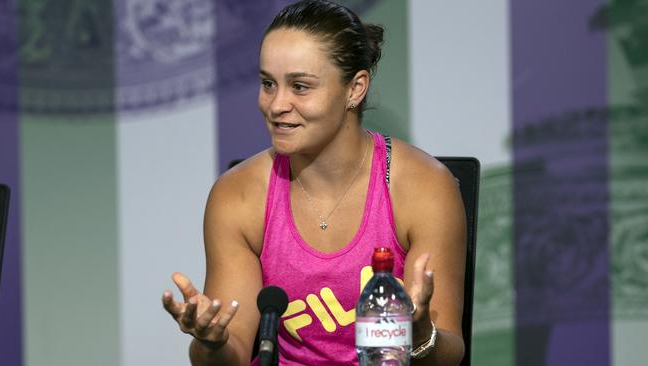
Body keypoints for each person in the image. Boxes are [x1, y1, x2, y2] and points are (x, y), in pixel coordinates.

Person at [162, 1, 466, 365]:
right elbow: (235, 352)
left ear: (355, 89)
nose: (276, 105)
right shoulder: (237, 196)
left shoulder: (424, 187)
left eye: (300, 87)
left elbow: (448, 353)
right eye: (268, 84)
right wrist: (211, 343)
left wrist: (419, 335)